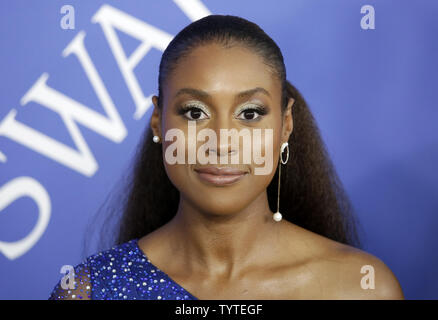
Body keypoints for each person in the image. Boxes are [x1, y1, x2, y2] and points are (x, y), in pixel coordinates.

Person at [49, 14, 404, 300]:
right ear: (158, 120)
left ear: (285, 124)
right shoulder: (88, 291)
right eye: (193, 112)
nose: (221, 142)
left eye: (250, 114)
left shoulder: (360, 288)